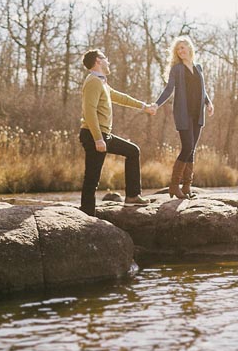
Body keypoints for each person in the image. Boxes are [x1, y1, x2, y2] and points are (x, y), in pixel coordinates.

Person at [79, 49, 157, 216]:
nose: (108, 62)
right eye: (105, 58)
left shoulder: (102, 82)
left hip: (104, 135)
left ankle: (132, 196)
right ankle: (86, 215)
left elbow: (121, 97)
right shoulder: (93, 81)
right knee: (92, 178)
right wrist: (98, 139)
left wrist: (144, 107)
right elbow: (89, 111)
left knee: (132, 151)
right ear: (98, 61)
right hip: (94, 134)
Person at [152, 36, 214, 199]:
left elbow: (202, 89)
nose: (180, 51)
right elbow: (168, 89)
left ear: (189, 48)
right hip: (183, 113)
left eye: (182, 47)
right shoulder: (177, 69)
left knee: (192, 150)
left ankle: (187, 187)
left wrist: (208, 102)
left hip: (197, 113)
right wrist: (156, 104)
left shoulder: (198, 67)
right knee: (187, 147)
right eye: (177, 49)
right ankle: (174, 186)